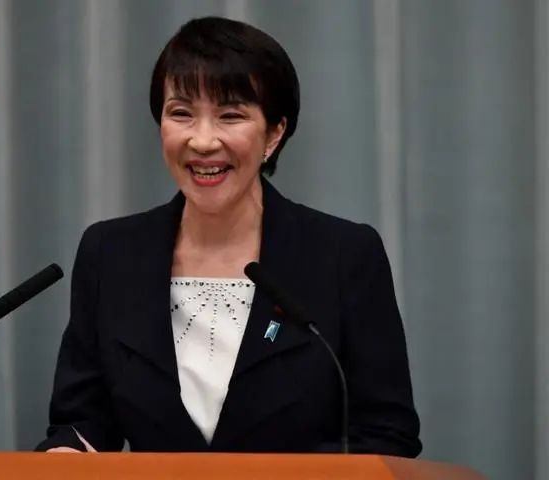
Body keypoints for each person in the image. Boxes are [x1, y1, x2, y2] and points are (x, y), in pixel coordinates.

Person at [36, 16, 421, 456]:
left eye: (230, 116)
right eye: (181, 113)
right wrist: (67, 452)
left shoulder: (343, 256)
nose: (202, 141)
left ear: (274, 133)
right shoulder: (112, 254)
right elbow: (83, 419)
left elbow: (388, 434)